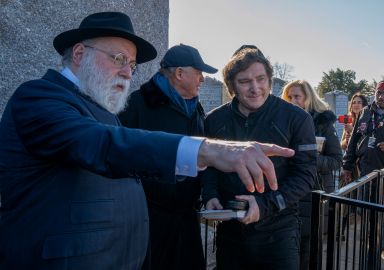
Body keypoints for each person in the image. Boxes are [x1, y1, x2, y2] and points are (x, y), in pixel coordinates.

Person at [0, 12, 294, 270]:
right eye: (118, 59)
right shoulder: (38, 98)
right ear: (79, 54)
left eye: (132, 64)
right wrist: (208, 149)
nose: (128, 71)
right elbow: (104, 144)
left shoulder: (103, 108)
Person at [201, 47, 317, 270]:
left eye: (261, 79)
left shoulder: (297, 118)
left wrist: (265, 205)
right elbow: (208, 166)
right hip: (231, 233)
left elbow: (305, 176)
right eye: (245, 81)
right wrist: (210, 194)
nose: (255, 88)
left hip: (279, 233)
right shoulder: (214, 120)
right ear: (232, 85)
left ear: (270, 80)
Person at [118, 43, 216, 270]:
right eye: (199, 73)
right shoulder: (137, 104)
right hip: (149, 221)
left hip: (186, 219)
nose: (202, 79)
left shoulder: (196, 108)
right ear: (180, 73)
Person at [281, 79, 342, 270]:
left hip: (314, 190)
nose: (293, 101)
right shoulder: (282, 121)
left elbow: (336, 160)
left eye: (297, 96)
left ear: (308, 98)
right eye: (289, 97)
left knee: (308, 248)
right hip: (287, 188)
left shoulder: (323, 122)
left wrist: (309, 159)